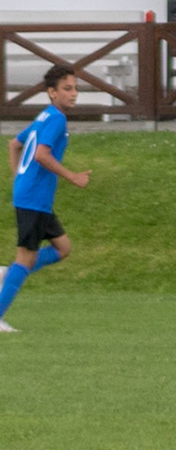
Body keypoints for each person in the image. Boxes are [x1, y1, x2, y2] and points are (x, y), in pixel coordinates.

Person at [0, 65, 89, 334]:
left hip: (32, 196)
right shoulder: (57, 119)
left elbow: (14, 144)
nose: (73, 94)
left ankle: (8, 272)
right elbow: (40, 154)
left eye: (75, 88)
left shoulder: (45, 116)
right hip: (33, 198)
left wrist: (19, 177)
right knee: (26, 258)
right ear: (52, 93)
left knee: (63, 248)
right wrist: (72, 176)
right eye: (67, 89)